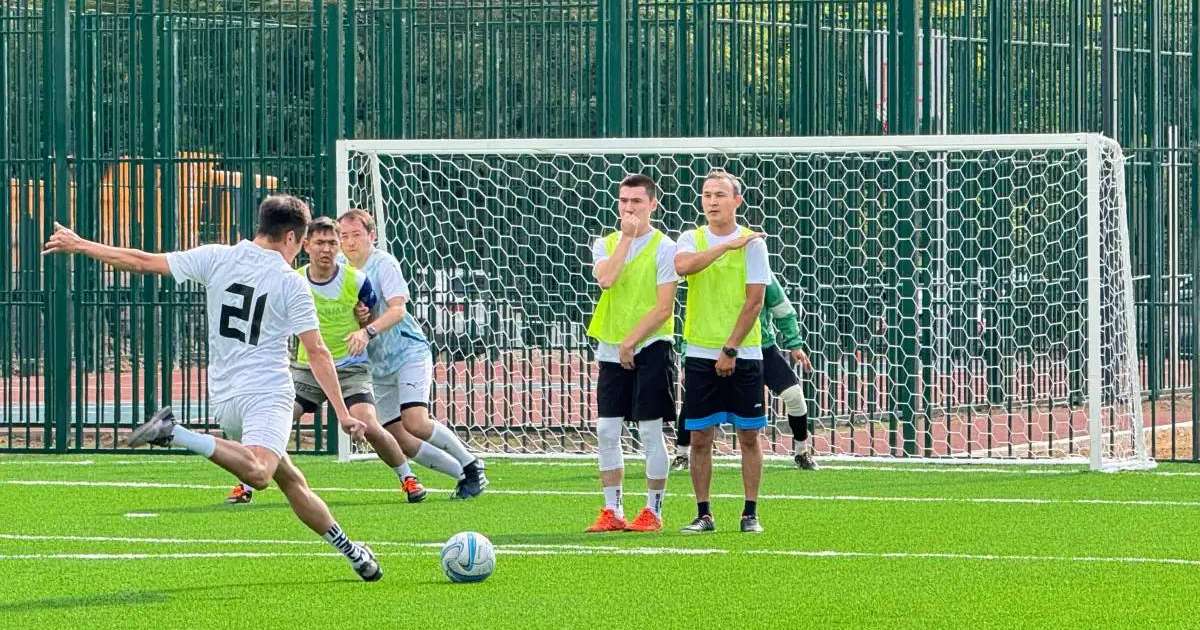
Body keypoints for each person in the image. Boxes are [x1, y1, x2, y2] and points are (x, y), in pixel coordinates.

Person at [42, 195, 382, 580]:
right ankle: (177, 433)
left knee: (290, 479)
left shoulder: (217, 256)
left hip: (224, 398)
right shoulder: (291, 282)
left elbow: (140, 261)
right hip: (267, 394)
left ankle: (353, 552)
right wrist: (342, 411)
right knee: (258, 473)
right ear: (291, 237)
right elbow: (318, 351)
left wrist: (80, 244)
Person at [224, 216, 427, 505]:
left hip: (349, 368)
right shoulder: (293, 280)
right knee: (274, 421)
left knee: (368, 422)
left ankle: (407, 477)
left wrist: (363, 321)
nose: (327, 249)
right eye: (320, 242)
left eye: (333, 243)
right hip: (307, 370)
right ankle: (245, 484)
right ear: (306, 245)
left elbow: (368, 310)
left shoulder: (356, 280)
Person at [337, 209, 488, 499]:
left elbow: (397, 309)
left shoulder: (383, 265)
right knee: (398, 437)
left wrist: (367, 330)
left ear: (372, 236)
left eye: (356, 235)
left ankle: (472, 464)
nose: (350, 242)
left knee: (415, 420)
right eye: (344, 236)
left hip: (408, 351)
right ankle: (462, 476)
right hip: (377, 365)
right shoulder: (340, 268)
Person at [674, 168, 770, 534]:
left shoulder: (753, 243)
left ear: (736, 200)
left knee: (749, 436)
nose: (712, 201)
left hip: (743, 353)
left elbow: (755, 301)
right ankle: (704, 513)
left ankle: (750, 513)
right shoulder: (691, 238)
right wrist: (723, 247)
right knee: (700, 437)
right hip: (699, 352)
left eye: (719, 194)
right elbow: (682, 267)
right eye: (707, 194)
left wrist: (730, 348)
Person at [583, 174, 678, 534]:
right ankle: (612, 509)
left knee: (650, 432)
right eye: (623, 201)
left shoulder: (665, 248)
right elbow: (606, 279)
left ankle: (652, 510)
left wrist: (632, 341)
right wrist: (625, 237)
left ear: (653, 204)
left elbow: (664, 307)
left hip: (651, 345)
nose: (628, 208)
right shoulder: (606, 243)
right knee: (607, 430)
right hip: (611, 346)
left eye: (636, 202)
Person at [672, 273, 818, 471]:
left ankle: (802, 451)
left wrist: (795, 345)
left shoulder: (760, 270)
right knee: (694, 401)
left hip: (758, 348)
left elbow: (782, 308)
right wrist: (687, 354)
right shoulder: (707, 270)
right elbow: (696, 317)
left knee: (794, 395)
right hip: (714, 349)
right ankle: (681, 454)